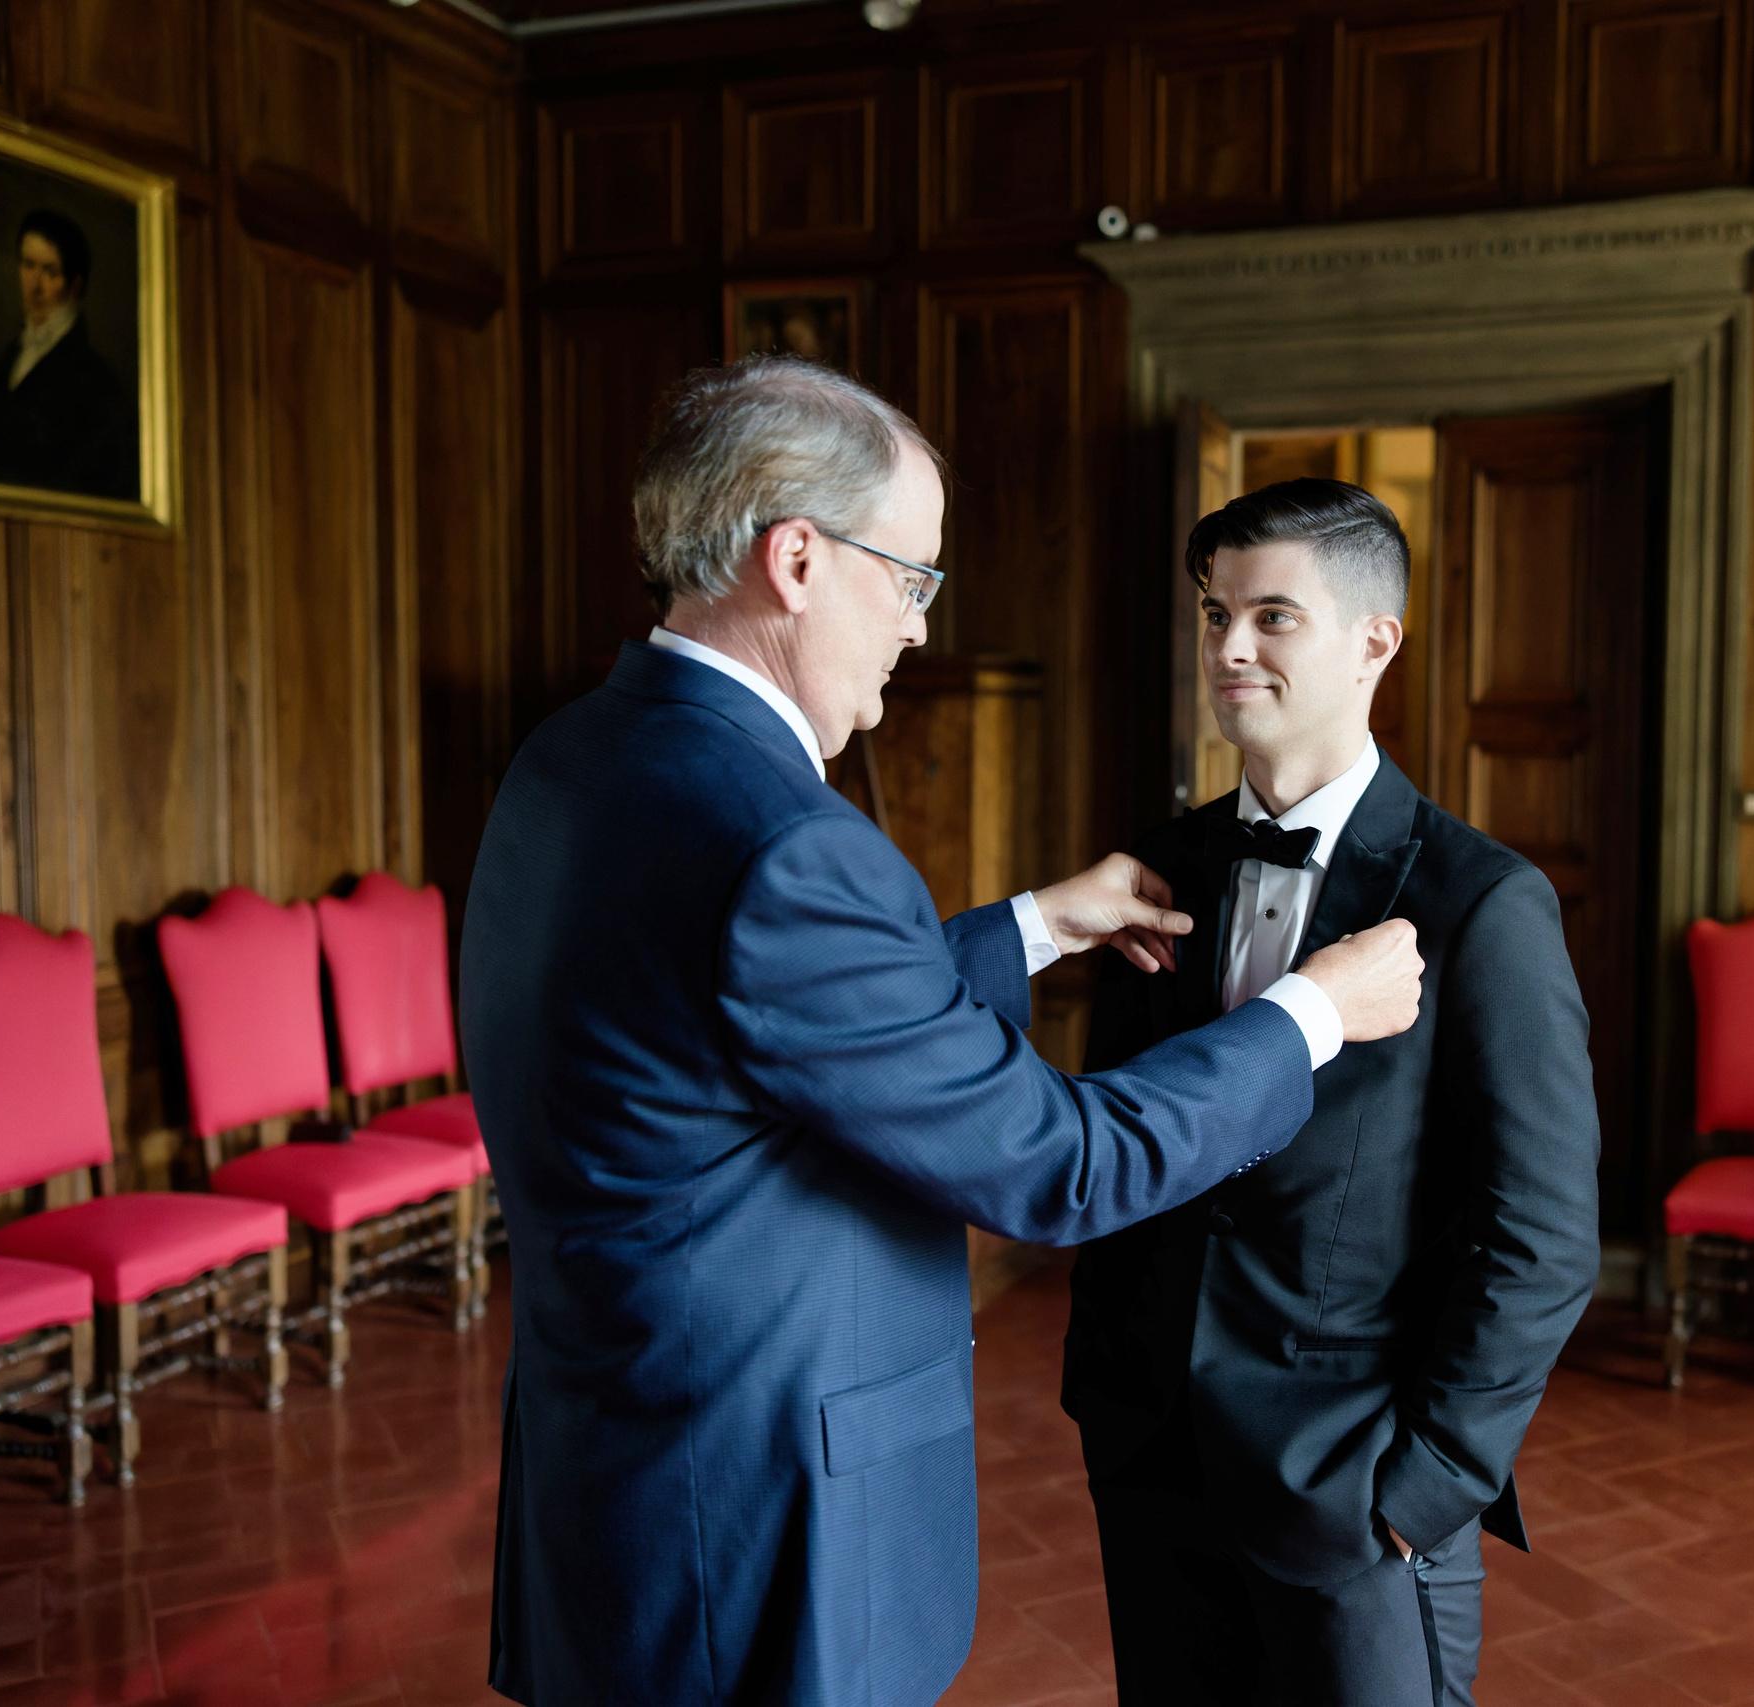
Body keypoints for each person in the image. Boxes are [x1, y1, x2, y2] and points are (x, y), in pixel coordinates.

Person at [458, 359, 1427, 1707]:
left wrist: (1029, 925)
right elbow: (1062, 1163)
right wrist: (1312, 1011)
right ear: (797, 557)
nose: (917, 626)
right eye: (909, 577)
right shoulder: (790, 842)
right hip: (753, 1523)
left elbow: (743, 1030)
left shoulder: (575, 756)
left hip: (615, 1463)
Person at [1062, 479, 1603, 1707]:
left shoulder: (1482, 900)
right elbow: (1122, 1131)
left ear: (1376, 639)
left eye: (1270, 617)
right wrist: (1107, 1388)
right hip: (1148, 1449)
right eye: (1212, 615)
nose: (1228, 649)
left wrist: (1426, 1488)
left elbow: (1543, 1232)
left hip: (1355, 1479)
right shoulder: (1154, 867)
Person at [0, 209, 139, 500]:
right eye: (27, 265)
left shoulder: (93, 379)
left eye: (49, 271)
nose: (34, 285)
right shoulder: (13, 354)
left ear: (75, 286)